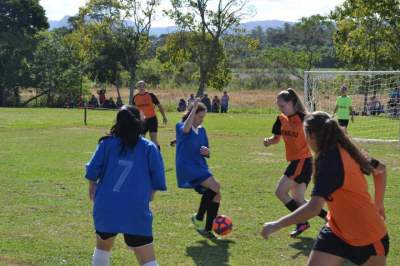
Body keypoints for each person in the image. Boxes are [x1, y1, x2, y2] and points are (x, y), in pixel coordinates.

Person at [261, 111, 389, 266]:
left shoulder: (330, 162)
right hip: (337, 231)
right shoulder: (344, 147)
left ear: (312, 136)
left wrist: (276, 224)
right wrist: (379, 204)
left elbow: (313, 208)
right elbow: (380, 170)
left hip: (368, 236)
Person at [85, 105, 167, 266]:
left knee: (102, 249)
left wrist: (92, 185)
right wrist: (151, 194)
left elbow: (93, 170)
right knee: (148, 260)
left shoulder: (107, 143)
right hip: (135, 208)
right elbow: (158, 178)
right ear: (140, 122)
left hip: (107, 205)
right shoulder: (149, 147)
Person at [263, 88, 327, 238]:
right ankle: (329, 219)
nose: (280, 108)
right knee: (299, 199)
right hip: (297, 162)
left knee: (280, 192)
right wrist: (269, 141)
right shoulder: (281, 119)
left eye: (282, 105)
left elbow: (320, 137)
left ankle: (301, 222)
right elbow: (276, 138)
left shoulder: (305, 119)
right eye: (278, 106)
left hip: (303, 161)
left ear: (292, 103)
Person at [175, 99, 221, 239]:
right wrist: (193, 108)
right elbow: (186, 129)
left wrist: (207, 152)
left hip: (200, 165)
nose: (202, 120)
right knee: (215, 186)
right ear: (193, 114)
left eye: (203, 117)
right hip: (187, 167)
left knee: (217, 194)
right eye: (200, 116)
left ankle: (207, 230)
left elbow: (207, 150)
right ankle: (199, 217)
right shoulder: (180, 126)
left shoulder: (202, 131)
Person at [132, 81, 168, 150]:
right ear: (137, 88)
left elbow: (159, 106)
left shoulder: (151, 95)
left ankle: (157, 154)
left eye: (143, 86)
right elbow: (133, 110)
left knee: (153, 139)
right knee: (140, 139)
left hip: (152, 119)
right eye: (139, 86)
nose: (141, 87)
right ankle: (141, 154)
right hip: (142, 121)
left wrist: (164, 117)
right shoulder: (135, 98)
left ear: (145, 87)